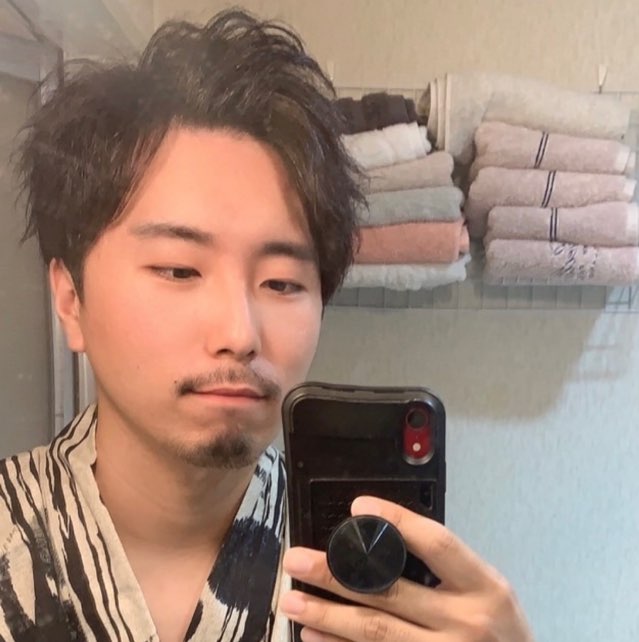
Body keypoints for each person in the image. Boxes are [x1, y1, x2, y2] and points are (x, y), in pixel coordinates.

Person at [1, 9, 534, 642]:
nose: (240, 333)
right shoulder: (14, 531)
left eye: (282, 282)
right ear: (70, 299)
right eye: (178, 270)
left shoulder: (370, 562)